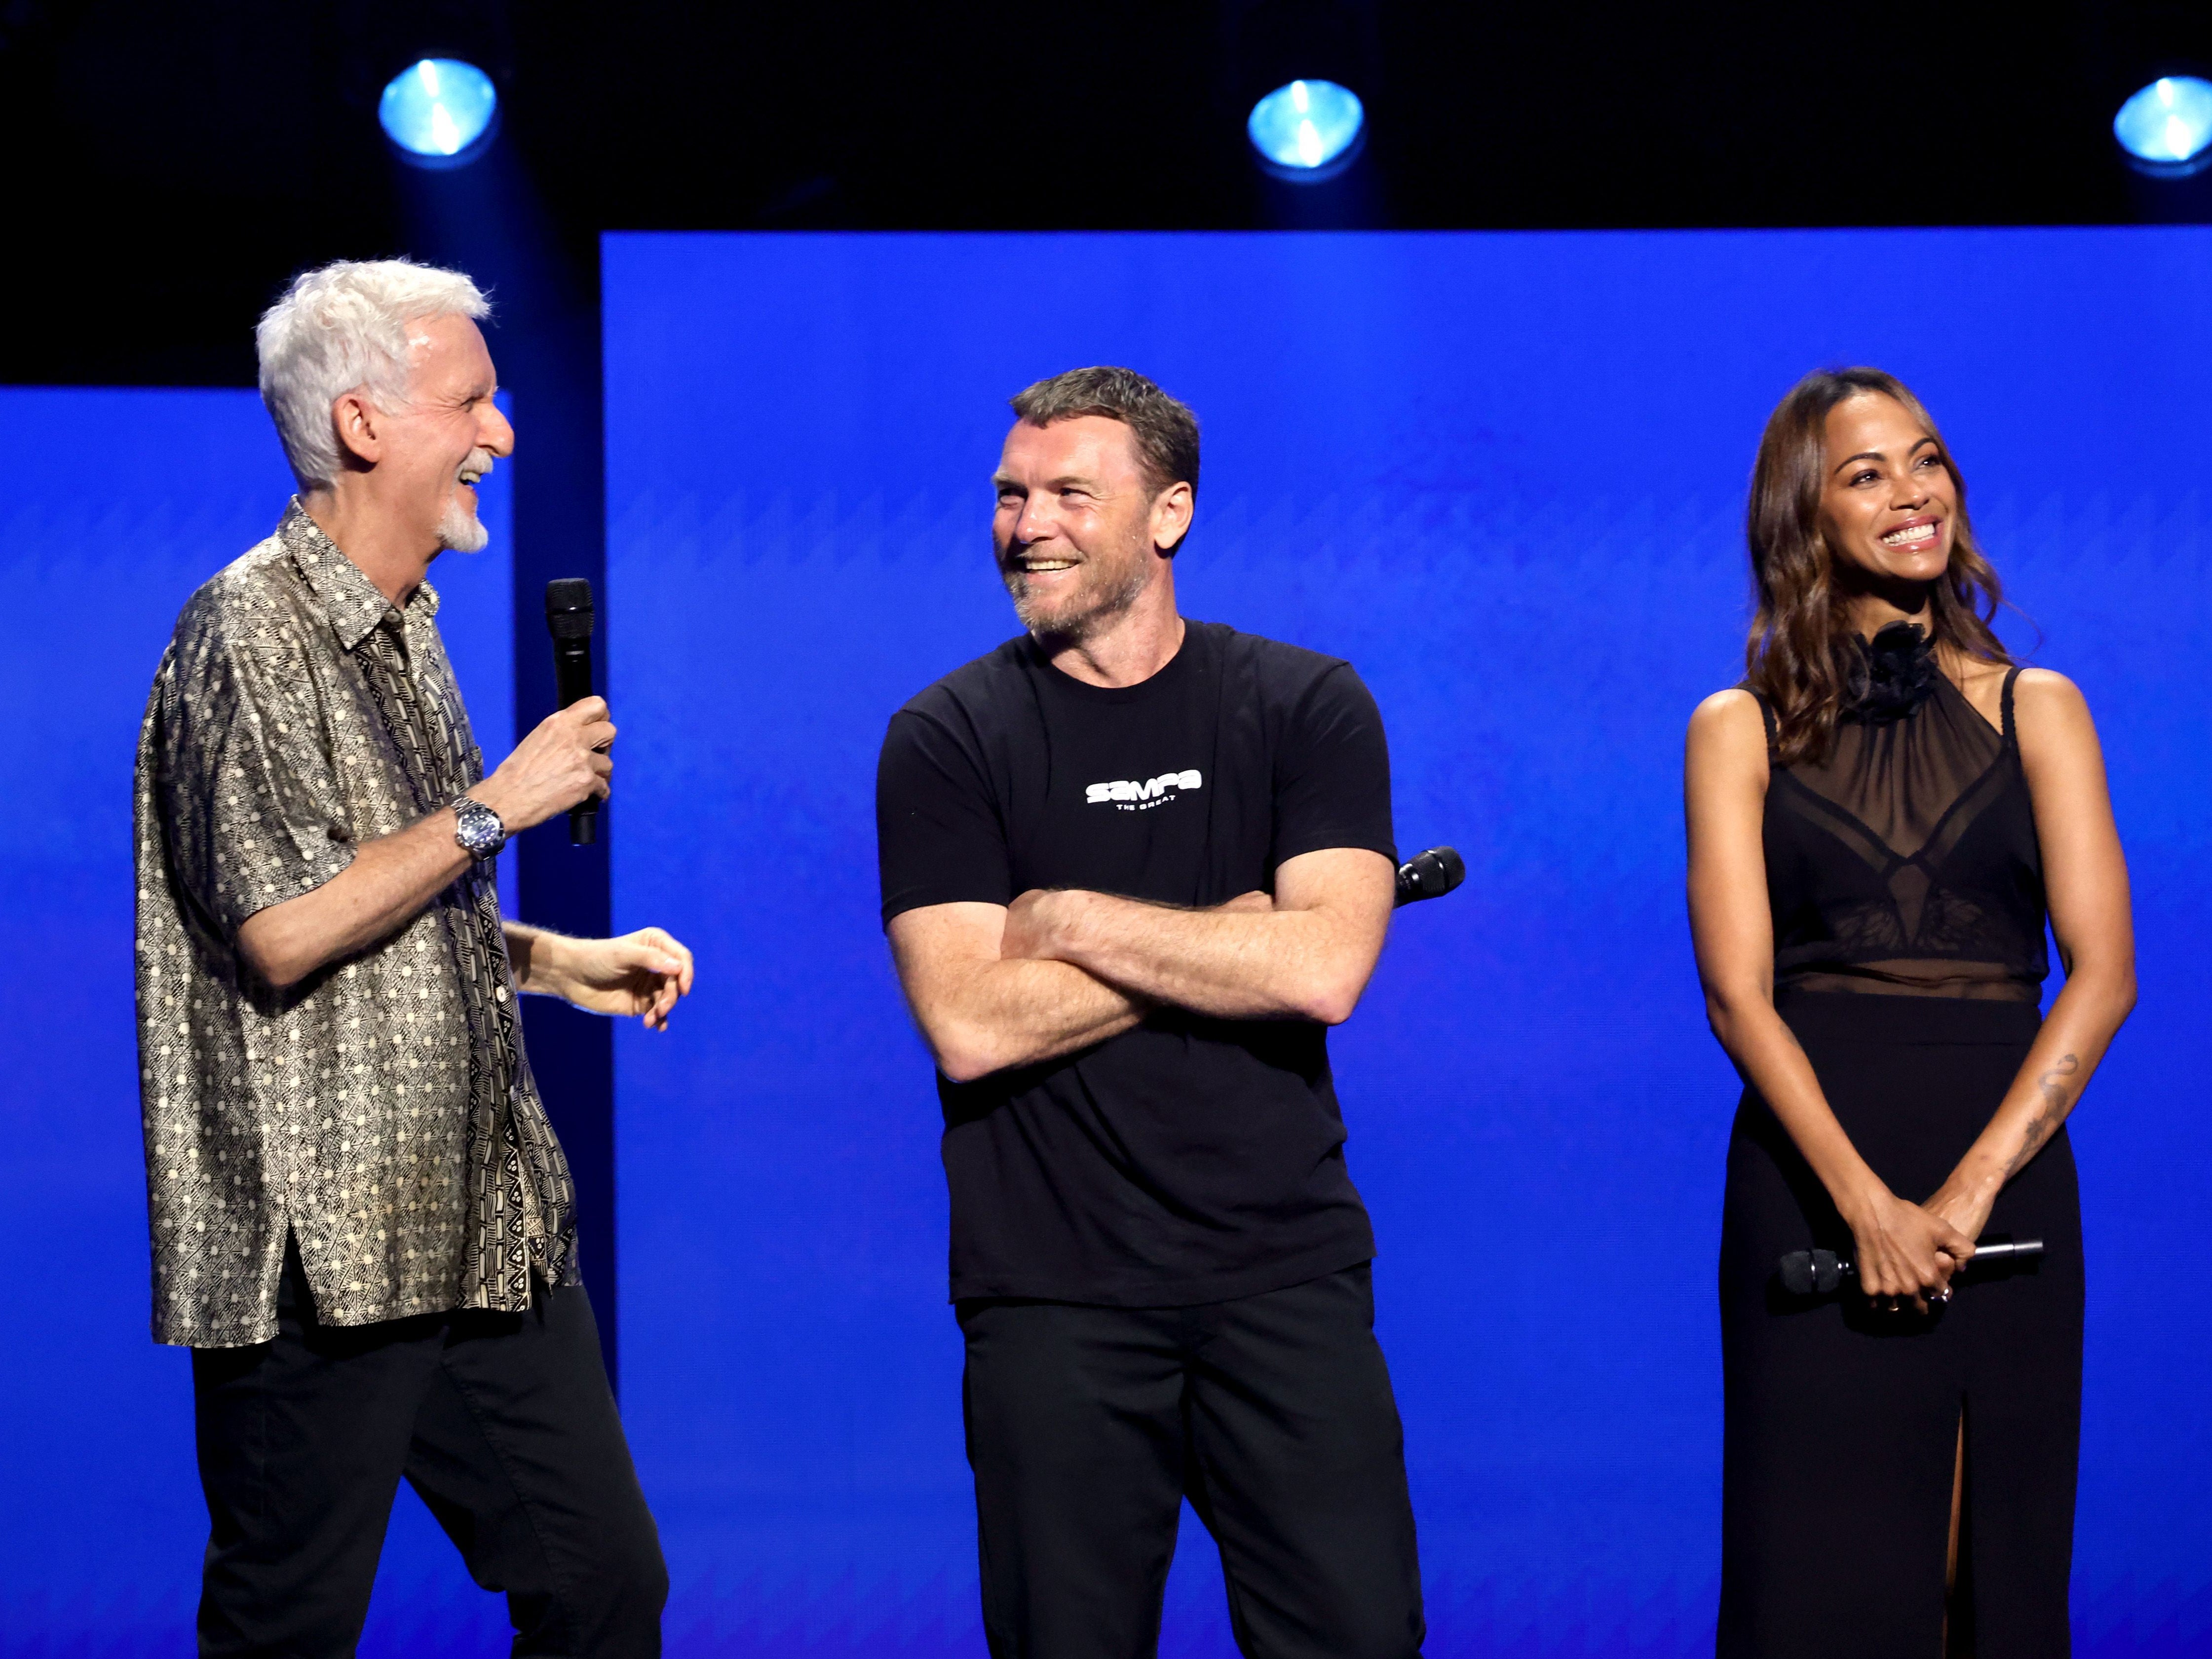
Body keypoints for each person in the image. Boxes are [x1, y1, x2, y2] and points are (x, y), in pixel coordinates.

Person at [134, 258, 694, 1658]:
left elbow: (385, 906)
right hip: (320, 1249)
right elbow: (279, 928)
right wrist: (502, 800)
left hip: (478, 1227)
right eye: (473, 402)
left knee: (603, 1579)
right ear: (368, 426)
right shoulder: (244, 632)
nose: (501, 434)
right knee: (288, 1623)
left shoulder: (408, 631)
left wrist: (560, 959)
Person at [875, 366, 1424, 1659]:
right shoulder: (945, 736)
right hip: (1049, 1296)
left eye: (1071, 491)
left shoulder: (1304, 705)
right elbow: (969, 1023)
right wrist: (1230, 934)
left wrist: (1067, 917)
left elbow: (1324, 972)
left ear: (1167, 515)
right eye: (1012, 494)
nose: (1029, 523)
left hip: (1282, 1277)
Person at [1685, 367, 2135, 1657]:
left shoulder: (2037, 706)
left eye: (1926, 460)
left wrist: (1969, 1191)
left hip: (2005, 1171)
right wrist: (1866, 1205)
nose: (1913, 492)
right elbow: (1735, 994)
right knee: (1817, 1583)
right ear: (1802, 514)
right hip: (1814, 1176)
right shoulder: (1735, 727)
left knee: (1981, 1575)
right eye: (1867, 472)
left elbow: (2101, 973)